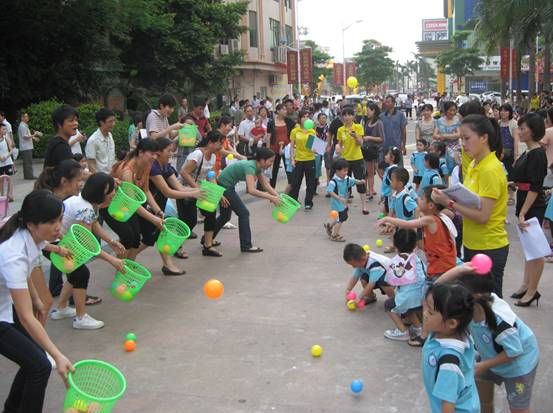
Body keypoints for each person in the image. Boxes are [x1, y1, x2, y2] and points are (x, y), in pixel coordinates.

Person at [0, 190, 74, 413]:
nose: (58, 227)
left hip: (4, 306)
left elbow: (34, 256)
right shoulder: (13, 254)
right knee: (40, 366)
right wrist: (58, 356)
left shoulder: (29, 234)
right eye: (51, 222)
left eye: (60, 219)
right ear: (32, 224)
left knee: (34, 360)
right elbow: (25, 317)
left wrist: (35, 298)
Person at [438, 264, 540, 413]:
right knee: (481, 397)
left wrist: (483, 366)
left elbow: (515, 351)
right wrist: (460, 269)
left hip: (519, 366)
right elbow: (436, 288)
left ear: (476, 296)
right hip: (490, 357)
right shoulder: (471, 306)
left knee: (519, 408)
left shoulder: (501, 321)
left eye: (460, 292)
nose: (455, 296)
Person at [431, 114, 509, 297]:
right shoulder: (474, 163)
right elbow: (470, 202)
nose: (463, 144)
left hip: (489, 246)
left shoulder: (490, 169)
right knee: (473, 300)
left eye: (467, 138)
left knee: (489, 303)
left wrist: (449, 203)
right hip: (472, 242)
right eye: (461, 139)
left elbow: (483, 216)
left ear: (484, 138)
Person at [49, 173, 125, 330]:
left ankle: (61, 309)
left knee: (75, 274)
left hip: (61, 240)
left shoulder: (85, 202)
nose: (113, 194)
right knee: (81, 274)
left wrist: (111, 241)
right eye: (111, 191)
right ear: (101, 192)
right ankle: (81, 318)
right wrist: (113, 260)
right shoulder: (85, 208)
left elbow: (94, 224)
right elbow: (87, 245)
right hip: (55, 243)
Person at [101, 139, 166, 267]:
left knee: (136, 238)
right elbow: (133, 204)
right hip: (109, 206)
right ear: (140, 152)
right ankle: (121, 269)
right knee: (128, 237)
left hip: (125, 206)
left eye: (156, 154)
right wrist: (154, 219)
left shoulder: (147, 165)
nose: (154, 157)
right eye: (151, 153)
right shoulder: (127, 171)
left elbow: (146, 190)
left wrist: (158, 211)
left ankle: (128, 268)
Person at [421, 282, 479, 413]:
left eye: (430, 312)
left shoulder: (449, 363)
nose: (424, 314)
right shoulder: (447, 331)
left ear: (451, 323)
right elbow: (436, 287)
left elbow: (448, 406)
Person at [510, 113, 548, 307]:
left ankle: (533, 290)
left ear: (532, 131)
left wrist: (524, 212)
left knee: (536, 251)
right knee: (528, 249)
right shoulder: (528, 152)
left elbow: (535, 187)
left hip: (533, 205)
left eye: (523, 128)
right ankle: (526, 285)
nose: (520, 131)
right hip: (523, 200)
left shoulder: (538, 153)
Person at [212, 148, 281, 253]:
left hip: (225, 185)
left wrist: (277, 196)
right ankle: (246, 245)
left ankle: (207, 239)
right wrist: (271, 197)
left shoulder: (256, 166)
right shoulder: (250, 167)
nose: (271, 164)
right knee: (243, 213)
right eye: (270, 161)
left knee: (225, 216)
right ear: (262, 160)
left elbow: (265, 184)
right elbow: (251, 190)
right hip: (224, 187)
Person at [178, 132, 225, 256]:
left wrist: (218, 193)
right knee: (189, 220)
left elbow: (211, 176)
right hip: (185, 190)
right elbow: (184, 173)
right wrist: (196, 190)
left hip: (201, 190)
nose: (221, 146)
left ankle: (207, 246)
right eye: (219, 143)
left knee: (211, 213)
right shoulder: (198, 154)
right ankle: (176, 246)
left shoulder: (213, 156)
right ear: (210, 143)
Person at [383, 229, 426, 341]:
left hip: (408, 299)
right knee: (407, 304)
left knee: (389, 305)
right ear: (415, 244)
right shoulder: (418, 259)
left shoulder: (394, 262)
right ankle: (418, 328)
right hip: (423, 298)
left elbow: (389, 282)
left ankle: (402, 331)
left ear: (395, 244)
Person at [336, 106, 369, 214]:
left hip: (357, 158)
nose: (347, 117)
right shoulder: (340, 130)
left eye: (349, 115)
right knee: (344, 182)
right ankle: (344, 206)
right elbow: (340, 144)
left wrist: (355, 136)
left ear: (353, 116)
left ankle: (364, 206)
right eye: (344, 115)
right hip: (345, 159)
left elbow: (361, 143)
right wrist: (338, 148)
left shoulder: (358, 127)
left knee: (360, 182)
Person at [324, 159, 363, 242]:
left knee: (340, 217)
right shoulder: (333, 181)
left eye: (347, 170)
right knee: (341, 218)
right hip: (336, 203)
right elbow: (330, 191)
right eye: (344, 171)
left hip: (343, 203)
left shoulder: (346, 178)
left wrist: (360, 182)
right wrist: (339, 198)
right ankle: (334, 235)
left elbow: (354, 181)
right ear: (337, 171)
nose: (346, 172)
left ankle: (329, 226)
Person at [289, 111, 317, 210]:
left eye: (307, 117)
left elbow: (312, 147)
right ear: (299, 119)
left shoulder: (312, 131)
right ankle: (293, 201)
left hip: (310, 159)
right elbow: (292, 146)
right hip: (299, 159)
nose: (305, 119)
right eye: (303, 117)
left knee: (310, 183)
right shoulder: (295, 131)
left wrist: (316, 148)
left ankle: (308, 202)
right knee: (295, 182)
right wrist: (292, 159)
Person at [267, 103, 296, 188]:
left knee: (289, 169)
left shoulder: (289, 121)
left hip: (286, 149)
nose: (285, 111)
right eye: (283, 109)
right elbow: (268, 137)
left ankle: (291, 187)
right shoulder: (271, 122)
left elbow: (297, 128)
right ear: (278, 111)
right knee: (274, 170)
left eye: (286, 109)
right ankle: (272, 189)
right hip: (274, 149)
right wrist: (267, 150)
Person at [362, 102, 384, 199]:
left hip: (376, 151)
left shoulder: (379, 123)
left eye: (368, 111)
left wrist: (369, 138)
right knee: (369, 173)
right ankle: (370, 191)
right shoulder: (367, 122)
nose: (367, 113)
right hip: (367, 151)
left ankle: (387, 191)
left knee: (380, 173)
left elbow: (382, 138)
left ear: (374, 111)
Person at [498, 103, 520, 206]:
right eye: (501, 110)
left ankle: (511, 196)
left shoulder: (513, 123)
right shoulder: (498, 123)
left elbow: (516, 139)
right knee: (501, 175)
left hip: (509, 153)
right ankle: (503, 195)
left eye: (506, 110)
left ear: (510, 112)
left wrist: (516, 155)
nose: (503, 113)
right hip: (500, 153)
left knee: (510, 175)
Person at [85, 108, 116, 174]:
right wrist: (99, 178)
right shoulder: (93, 140)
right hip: (100, 178)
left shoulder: (110, 136)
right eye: (110, 121)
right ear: (101, 122)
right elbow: (91, 164)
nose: (113, 124)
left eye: (114, 121)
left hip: (111, 176)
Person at [433, 101, 461, 174]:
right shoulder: (439, 121)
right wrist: (452, 136)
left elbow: (459, 134)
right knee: (443, 170)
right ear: (445, 110)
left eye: (454, 110)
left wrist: (444, 136)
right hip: (442, 149)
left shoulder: (457, 121)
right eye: (450, 110)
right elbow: (435, 135)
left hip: (455, 149)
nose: (452, 112)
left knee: (455, 171)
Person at [379, 95, 407, 164]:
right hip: (384, 147)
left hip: (396, 146)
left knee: (398, 166)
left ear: (394, 103)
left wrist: (403, 145)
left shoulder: (400, 115)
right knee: (385, 167)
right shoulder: (381, 116)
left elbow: (403, 131)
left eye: (388, 102)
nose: (387, 104)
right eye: (386, 102)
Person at [17, 112, 40, 179]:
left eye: (27, 116)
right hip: (26, 147)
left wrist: (34, 138)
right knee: (28, 162)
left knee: (27, 162)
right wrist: (34, 135)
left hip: (26, 146)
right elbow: (25, 136)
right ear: (22, 118)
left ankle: (27, 176)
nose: (27, 118)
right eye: (25, 116)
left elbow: (27, 135)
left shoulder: (24, 125)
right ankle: (29, 176)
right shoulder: (22, 126)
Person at [381, 147, 401, 214]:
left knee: (390, 214)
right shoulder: (391, 169)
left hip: (390, 197)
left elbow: (393, 186)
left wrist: (392, 198)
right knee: (384, 213)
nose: (385, 156)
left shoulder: (392, 171)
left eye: (387, 154)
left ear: (392, 158)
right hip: (387, 197)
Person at [0, 124, 15, 202]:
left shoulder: (7, 138)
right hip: (0, 164)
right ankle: (2, 196)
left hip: (8, 162)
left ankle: (10, 195)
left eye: (5, 129)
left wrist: (6, 156)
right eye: (3, 129)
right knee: (1, 180)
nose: (5, 131)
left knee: (10, 179)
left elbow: (11, 150)